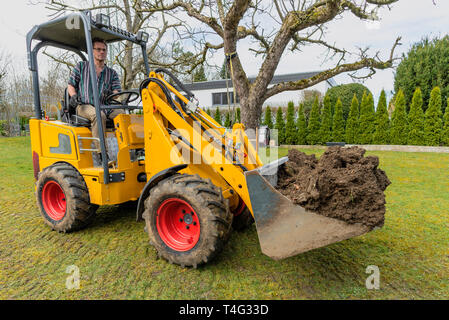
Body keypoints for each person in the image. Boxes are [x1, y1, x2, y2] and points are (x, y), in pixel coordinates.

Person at [67, 37, 123, 161]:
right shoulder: (81, 67)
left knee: (123, 115)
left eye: (104, 50)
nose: (101, 52)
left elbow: (117, 91)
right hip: (84, 106)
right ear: (92, 51)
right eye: (98, 49)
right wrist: (73, 96)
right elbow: (71, 85)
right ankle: (102, 153)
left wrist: (112, 93)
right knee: (99, 115)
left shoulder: (111, 73)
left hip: (106, 105)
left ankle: (128, 149)